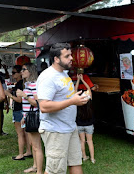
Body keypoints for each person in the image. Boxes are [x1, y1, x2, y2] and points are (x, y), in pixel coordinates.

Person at [37, 43, 89, 174]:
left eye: (71, 55)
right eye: (67, 56)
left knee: (76, 163)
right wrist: (72, 101)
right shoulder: (48, 77)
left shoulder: (64, 74)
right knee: (55, 171)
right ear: (56, 59)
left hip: (70, 127)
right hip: (55, 130)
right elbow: (44, 106)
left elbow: (65, 99)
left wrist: (77, 99)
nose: (71, 58)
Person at [16, 63, 43, 174]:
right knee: (33, 145)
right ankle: (35, 166)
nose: (21, 72)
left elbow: (37, 103)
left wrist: (24, 95)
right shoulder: (27, 84)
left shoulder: (33, 85)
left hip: (34, 118)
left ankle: (39, 171)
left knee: (37, 146)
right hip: (28, 117)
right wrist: (24, 116)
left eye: (24, 69)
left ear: (30, 71)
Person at [5, 65, 32, 161]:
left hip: (19, 110)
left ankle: (21, 154)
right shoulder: (23, 83)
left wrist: (9, 95)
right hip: (23, 110)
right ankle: (28, 151)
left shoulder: (20, 84)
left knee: (20, 133)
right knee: (26, 133)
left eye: (14, 72)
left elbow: (19, 100)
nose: (12, 74)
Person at [75, 74, 95, 164]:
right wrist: (83, 80)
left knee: (82, 141)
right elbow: (89, 89)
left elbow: (75, 90)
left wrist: (78, 80)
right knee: (89, 141)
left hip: (79, 124)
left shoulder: (77, 101)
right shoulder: (89, 100)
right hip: (89, 124)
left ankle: (84, 156)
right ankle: (92, 159)